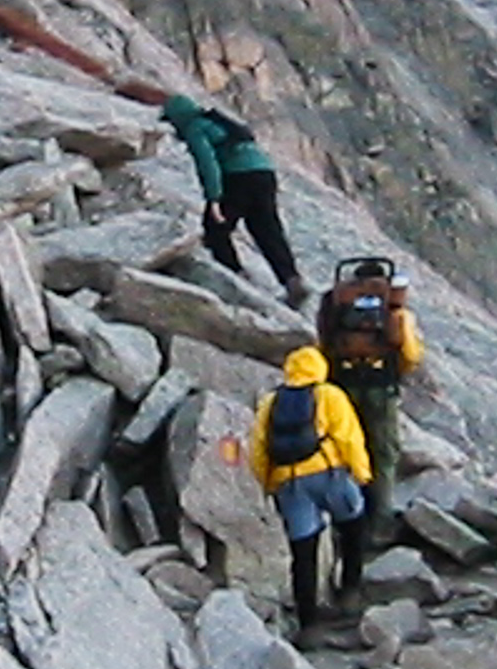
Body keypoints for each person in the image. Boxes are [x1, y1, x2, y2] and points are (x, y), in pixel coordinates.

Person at [248, 344, 371, 636]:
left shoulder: (271, 402)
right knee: (354, 525)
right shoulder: (329, 395)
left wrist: (269, 483)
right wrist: (362, 472)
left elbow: (257, 451)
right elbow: (349, 437)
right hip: (329, 474)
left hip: (289, 483)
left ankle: (309, 625)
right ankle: (350, 593)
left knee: (303, 553)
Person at [313, 255, 426, 541]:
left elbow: (323, 342)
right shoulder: (393, 306)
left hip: (343, 385)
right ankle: (380, 523)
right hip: (380, 385)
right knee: (384, 453)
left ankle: (345, 520)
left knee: (345, 450)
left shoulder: (337, 300)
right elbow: (410, 355)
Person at [160, 90, 306, 302]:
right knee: (267, 229)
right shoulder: (220, 120)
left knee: (215, 228)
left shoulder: (194, 127)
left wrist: (214, 198)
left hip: (238, 177)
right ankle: (291, 279)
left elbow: (207, 163)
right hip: (265, 174)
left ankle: (235, 277)